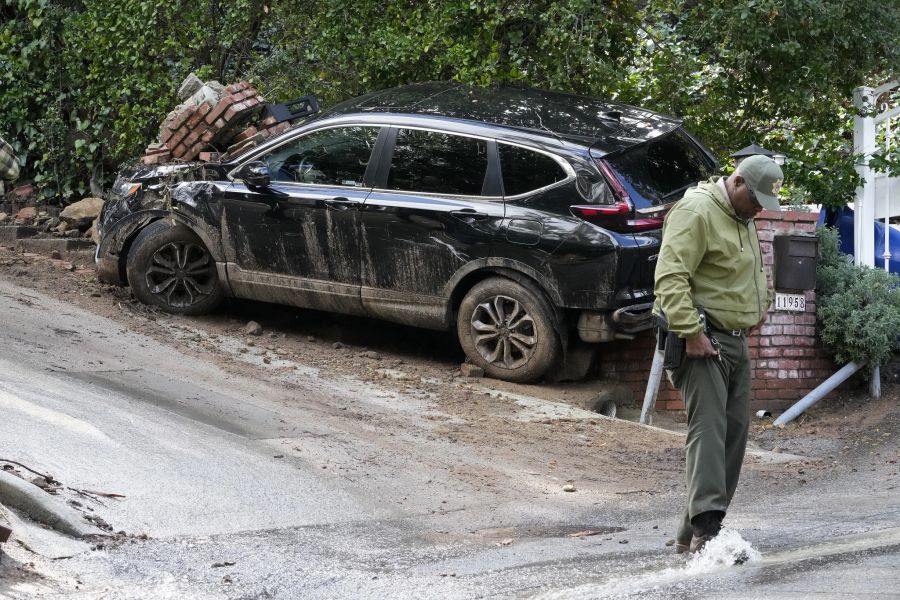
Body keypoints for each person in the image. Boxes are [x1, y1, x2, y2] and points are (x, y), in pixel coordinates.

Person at [653, 154, 784, 554]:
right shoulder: (697, 210)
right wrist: (691, 333)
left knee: (734, 433)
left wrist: (759, 308)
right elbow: (670, 275)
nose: (761, 208)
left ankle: (689, 535)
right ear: (739, 182)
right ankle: (708, 530)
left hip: (735, 339)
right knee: (709, 430)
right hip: (702, 338)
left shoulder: (743, 218)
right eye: (757, 198)